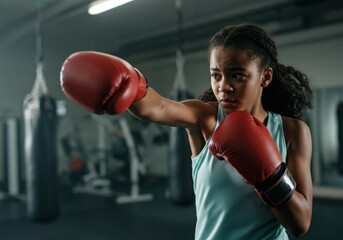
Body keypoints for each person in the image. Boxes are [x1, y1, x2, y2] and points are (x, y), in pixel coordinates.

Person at [60, 23, 313, 239]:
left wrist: (269, 177)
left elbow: (300, 223)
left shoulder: (293, 132)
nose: (224, 86)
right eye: (216, 75)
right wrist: (132, 85)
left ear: (265, 77)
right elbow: (157, 108)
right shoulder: (205, 119)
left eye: (237, 75)